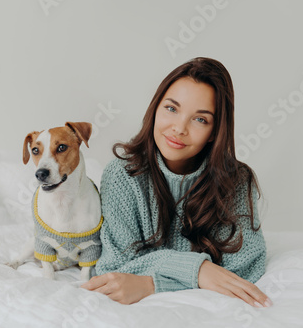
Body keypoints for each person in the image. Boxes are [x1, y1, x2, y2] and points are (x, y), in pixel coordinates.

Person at [81, 57, 272, 308]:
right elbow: (115, 268)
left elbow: (244, 268)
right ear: (155, 108)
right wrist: (199, 270)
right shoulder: (122, 174)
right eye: (171, 108)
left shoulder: (235, 180)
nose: (179, 128)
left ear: (215, 131)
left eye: (200, 119)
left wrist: (153, 284)